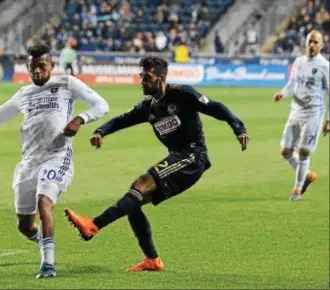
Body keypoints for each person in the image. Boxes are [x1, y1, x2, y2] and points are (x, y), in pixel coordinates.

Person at [64, 55, 249, 272]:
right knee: (133, 201)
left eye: (147, 77)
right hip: (179, 158)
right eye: (141, 76)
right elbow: (122, 119)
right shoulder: (149, 108)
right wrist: (100, 131)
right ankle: (152, 260)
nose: (142, 81)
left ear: (161, 78)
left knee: (141, 184)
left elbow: (216, 108)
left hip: (193, 157)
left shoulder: (182, 94)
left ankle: (93, 225)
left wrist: (239, 128)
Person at [0, 43, 109, 279]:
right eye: (33, 67)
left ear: (52, 66)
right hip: (28, 163)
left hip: (57, 157)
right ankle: (43, 238)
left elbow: (101, 105)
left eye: (42, 66)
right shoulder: (23, 94)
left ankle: (48, 264)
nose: (37, 72)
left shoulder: (66, 83)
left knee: (44, 201)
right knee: (24, 226)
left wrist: (80, 119)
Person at [273, 30, 329, 201]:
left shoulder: (325, 66)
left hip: (313, 113)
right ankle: (307, 175)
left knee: (304, 151)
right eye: (310, 41)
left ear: (321, 45)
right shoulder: (298, 62)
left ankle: (297, 191)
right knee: (285, 151)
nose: (312, 45)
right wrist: (283, 93)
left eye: (316, 42)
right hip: (295, 111)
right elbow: (292, 84)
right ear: (305, 43)